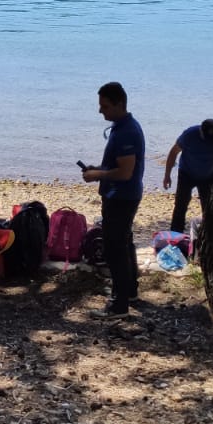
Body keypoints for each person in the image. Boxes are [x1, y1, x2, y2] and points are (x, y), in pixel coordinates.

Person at [82, 82, 145, 320]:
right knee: (124, 242)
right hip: (122, 195)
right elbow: (116, 166)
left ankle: (118, 305)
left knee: (114, 248)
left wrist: (97, 175)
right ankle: (129, 291)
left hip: (122, 197)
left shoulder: (128, 131)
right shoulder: (122, 127)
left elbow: (125, 172)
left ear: (120, 104)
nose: (101, 111)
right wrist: (97, 169)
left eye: (105, 106)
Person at [163, 118, 213, 234]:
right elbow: (173, 152)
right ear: (201, 132)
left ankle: (208, 235)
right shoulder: (189, 135)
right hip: (186, 173)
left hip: (207, 176)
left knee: (208, 208)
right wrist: (167, 175)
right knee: (180, 205)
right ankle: (175, 235)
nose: (209, 141)